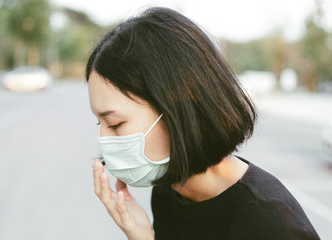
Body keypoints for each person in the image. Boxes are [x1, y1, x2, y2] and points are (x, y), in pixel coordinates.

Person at [86, 7, 320, 240]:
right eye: (100, 124)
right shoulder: (170, 190)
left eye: (115, 124)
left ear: (178, 107)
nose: (103, 141)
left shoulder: (268, 223)